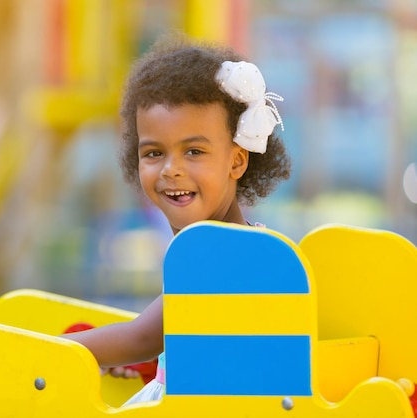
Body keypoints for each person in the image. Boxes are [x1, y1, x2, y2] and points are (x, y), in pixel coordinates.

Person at [63, 32, 291, 404]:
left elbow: (140, 338)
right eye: (153, 153)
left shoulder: (215, 253)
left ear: (237, 160)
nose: (171, 169)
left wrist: (43, 348)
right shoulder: (245, 240)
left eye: (194, 151)